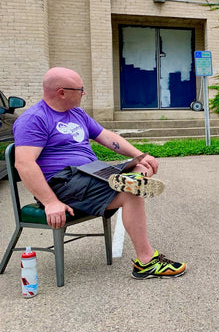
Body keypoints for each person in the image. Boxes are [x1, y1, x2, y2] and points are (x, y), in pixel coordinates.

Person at [12, 67, 186, 279]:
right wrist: (50, 202)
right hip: (64, 182)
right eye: (80, 89)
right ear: (61, 92)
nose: (84, 93)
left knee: (141, 166)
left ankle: (130, 178)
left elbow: (107, 137)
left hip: (91, 173)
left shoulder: (77, 114)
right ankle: (146, 261)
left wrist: (140, 155)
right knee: (132, 193)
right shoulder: (34, 119)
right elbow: (24, 164)